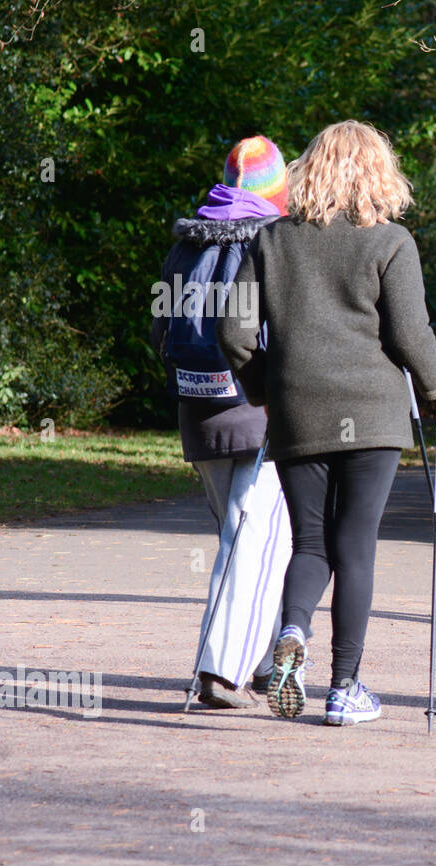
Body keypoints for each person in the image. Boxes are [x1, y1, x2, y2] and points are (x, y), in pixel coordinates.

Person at [220, 120, 436, 726]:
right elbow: (409, 332)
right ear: (380, 172)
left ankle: (293, 632)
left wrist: (268, 390)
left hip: (299, 410)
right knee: (355, 548)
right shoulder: (390, 241)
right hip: (373, 414)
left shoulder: (270, 241)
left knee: (308, 543)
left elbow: (233, 333)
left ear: (309, 168)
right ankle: (345, 687)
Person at [151, 135, 293, 709]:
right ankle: (222, 670)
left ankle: (257, 661)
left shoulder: (186, 242)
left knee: (246, 541)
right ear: (277, 187)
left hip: (198, 410)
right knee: (256, 538)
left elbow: (160, 329)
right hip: (258, 411)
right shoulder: (273, 240)